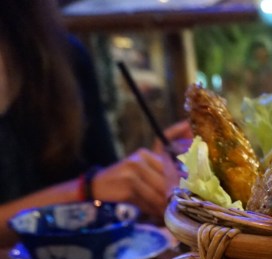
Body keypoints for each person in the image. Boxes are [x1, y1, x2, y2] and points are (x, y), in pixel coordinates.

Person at [0, 0, 189, 246]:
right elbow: (98, 186)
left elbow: (110, 187)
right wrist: (84, 191)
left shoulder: (63, 55)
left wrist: (149, 182)